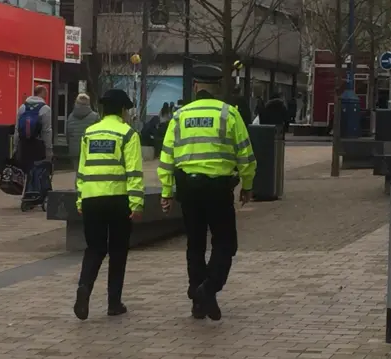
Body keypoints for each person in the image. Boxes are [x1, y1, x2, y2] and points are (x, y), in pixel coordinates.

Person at [157, 84, 257, 321]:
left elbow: (167, 155)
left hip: (188, 190)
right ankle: (209, 288)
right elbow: (245, 153)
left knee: (195, 244)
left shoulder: (180, 116)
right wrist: (248, 184)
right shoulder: (228, 113)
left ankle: (197, 301)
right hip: (218, 189)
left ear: (195, 91)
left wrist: (166, 191)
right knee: (225, 243)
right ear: (215, 91)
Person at [73, 89, 145, 321]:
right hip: (118, 200)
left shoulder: (89, 133)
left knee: (94, 248)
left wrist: (80, 199)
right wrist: (137, 203)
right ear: (123, 110)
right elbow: (134, 171)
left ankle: (84, 288)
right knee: (118, 251)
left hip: (91, 199)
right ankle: (114, 303)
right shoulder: (128, 134)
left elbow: (82, 170)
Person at [14, 85, 53, 173]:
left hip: (23, 145)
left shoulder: (22, 107)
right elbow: (47, 131)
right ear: (41, 93)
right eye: (45, 94)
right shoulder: (45, 109)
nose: (46, 97)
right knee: (36, 173)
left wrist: (15, 147)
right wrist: (49, 150)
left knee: (24, 171)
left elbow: (17, 129)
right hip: (38, 146)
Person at [66, 93, 100, 171]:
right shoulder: (95, 116)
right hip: (90, 150)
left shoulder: (70, 116)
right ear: (88, 103)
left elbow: (68, 134)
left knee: (78, 173)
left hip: (75, 150)